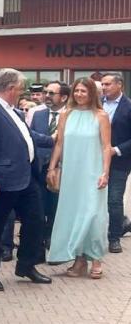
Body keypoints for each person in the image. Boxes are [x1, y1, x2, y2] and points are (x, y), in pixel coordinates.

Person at [0, 69, 54, 292]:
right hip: (1, 181)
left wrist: (52, 139)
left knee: (35, 221)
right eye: (20, 89)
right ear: (11, 89)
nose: (23, 94)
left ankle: (27, 265)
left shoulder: (15, 112)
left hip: (26, 177)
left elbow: (27, 136)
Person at [48, 78, 112, 279]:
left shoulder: (101, 116)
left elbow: (106, 147)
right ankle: (79, 260)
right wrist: (52, 167)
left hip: (93, 173)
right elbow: (59, 144)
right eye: (77, 91)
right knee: (73, 215)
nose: (79, 95)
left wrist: (105, 172)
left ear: (92, 93)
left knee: (94, 215)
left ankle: (96, 259)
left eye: (84, 91)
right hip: (71, 174)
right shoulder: (66, 114)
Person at [30, 82, 69, 246]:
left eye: (52, 93)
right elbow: (31, 138)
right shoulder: (38, 114)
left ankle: (53, 238)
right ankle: (40, 237)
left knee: (57, 206)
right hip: (39, 168)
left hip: (61, 169)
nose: (47, 96)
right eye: (46, 92)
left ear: (64, 97)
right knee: (39, 205)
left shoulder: (71, 115)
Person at [100, 74, 131, 253]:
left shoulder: (129, 107)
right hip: (96, 160)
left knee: (114, 199)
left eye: (108, 84)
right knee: (98, 199)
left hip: (119, 161)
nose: (104, 87)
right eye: (103, 84)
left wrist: (116, 149)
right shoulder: (97, 104)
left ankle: (114, 238)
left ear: (119, 85)